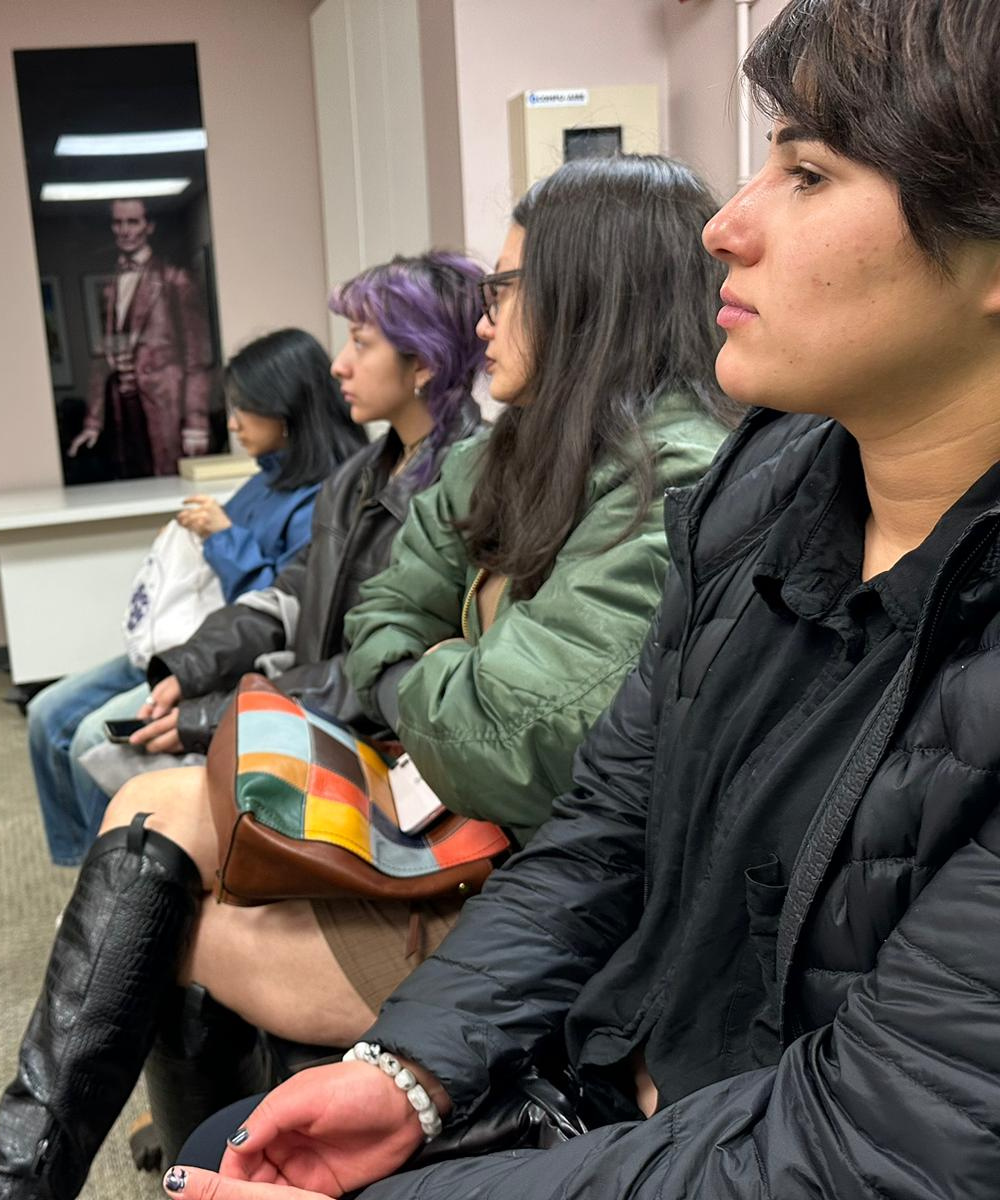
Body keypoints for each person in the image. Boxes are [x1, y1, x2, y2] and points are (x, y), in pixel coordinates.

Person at [154, 1, 1000, 1197]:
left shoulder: (677, 470)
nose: (726, 224)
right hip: (612, 1072)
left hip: (773, 1139)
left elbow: (878, 1142)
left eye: (807, 172)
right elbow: (605, 827)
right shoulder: (761, 494)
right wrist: (406, 1070)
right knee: (237, 1137)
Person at [0, 156, 732, 1199]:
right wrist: (428, 668)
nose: (488, 318)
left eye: (506, 288)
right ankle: (26, 1164)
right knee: (148, 800)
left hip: (525, 880)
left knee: (166, 912)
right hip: (446, 808)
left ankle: (125, 1157)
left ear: (588, 295)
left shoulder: (671, 477)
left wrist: (428, 672)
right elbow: (373, 611)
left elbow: (498, 738)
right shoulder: (503, 453)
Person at [27, 327, 366, 867]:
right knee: (46, 712)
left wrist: (224, 535)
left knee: (95, 736)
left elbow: (285, 609)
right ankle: (80, 865)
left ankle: (110, 872)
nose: (233, 423)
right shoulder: (268, 476)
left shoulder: (331, 493)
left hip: (235, 654)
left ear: (288, 411)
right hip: (195, 639)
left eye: (246, 409)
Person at [69, 197, 217, 478]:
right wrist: (93, 421)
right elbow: (102, 358)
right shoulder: (111, 285)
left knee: (170, 478)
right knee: (133, 477)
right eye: (118, 222)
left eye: (133, 222)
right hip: (123, 408)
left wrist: (196, 421)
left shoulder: (176, 280)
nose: (124, 231)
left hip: (166, 403)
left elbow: (196, 358)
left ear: (149, 227)